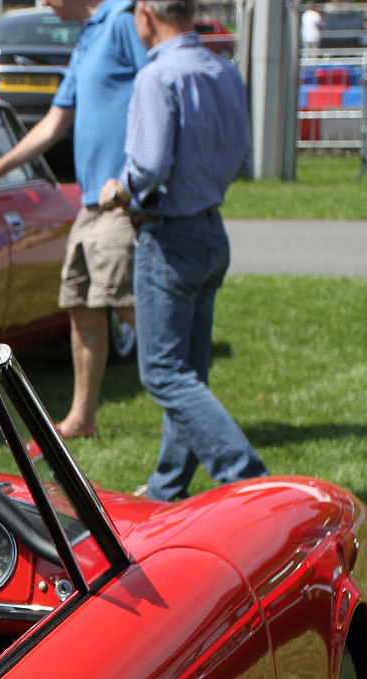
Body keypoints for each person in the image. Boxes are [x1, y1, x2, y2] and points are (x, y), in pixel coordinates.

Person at [0, 0, 147, 440]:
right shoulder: (89, 36)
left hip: (121, 201)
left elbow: (158, 93)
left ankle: (185, 397)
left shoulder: (125, 20)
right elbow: (54, 123)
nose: (43, 3)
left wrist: (138, 180)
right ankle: (82, 419)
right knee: (82, 304)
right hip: (92, 203)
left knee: (131, 307)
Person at [99, 0, 266, 502]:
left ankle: (248, 480)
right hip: (211, 229)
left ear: (147, 13)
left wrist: (118, 190)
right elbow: (240, 157)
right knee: (188, 373)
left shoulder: (157, 78)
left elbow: (148, 164)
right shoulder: (223, 70)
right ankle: (167, 488)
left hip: (169, 235)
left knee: (164, 374)